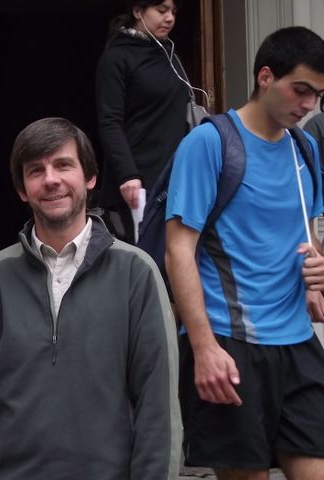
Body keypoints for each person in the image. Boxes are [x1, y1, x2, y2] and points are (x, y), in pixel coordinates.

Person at [0, 117, 181, 479]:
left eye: (63, 165)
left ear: (90, 177)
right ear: (22, 189)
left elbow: (158, 407)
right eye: (36, 170)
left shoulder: (135, 272)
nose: (51, 179)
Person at [166, 26, 324, 480]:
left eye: (317, 95)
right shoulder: (209, 143)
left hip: (297, 341)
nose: (309, 105)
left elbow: (306, 236)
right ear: (265, 77)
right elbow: (179, 250)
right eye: (301, 90)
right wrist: (203, 348)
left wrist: (316, 271)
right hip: (229, 342)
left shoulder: (305, 149)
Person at [95, 0, 189, 244]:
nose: (170, 18)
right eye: (162, 10)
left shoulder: (169, 54)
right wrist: (128, 174)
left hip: (175, 176)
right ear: (138, 11)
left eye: (173, 12)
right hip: (139, 181)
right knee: (145, 258)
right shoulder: (117, 57)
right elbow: (110, 121)